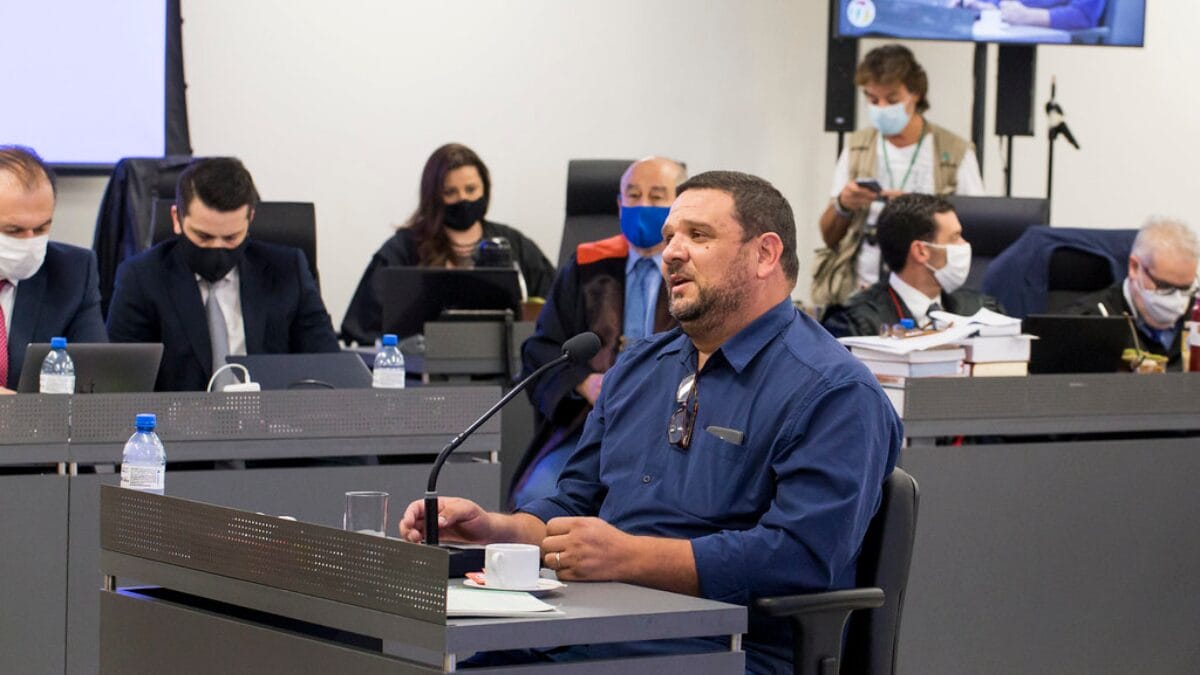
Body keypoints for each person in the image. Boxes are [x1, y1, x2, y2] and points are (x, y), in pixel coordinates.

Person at [401, 170, 902, 673]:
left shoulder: (834, 392)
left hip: (721, 646)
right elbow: (574, 501)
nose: (671, 254)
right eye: (669, 238)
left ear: (765, 254)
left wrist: (628, 558)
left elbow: (800, 557)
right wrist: (496, 529)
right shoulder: (640, 367)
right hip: (587, 625)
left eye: (698, 236)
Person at [511, 156, 686, 508]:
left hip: (671, 429)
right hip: (591, 427)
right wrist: (584, 382)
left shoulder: (692, 269)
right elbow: (542, 348)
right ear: (619, 205)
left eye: (657, 196)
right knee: (535, 500)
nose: (643, 206)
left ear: (679, 205)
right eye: (633, 196)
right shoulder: (587, 266)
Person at [107, 157, 340, 391]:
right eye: (203, 237)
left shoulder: (287, 270)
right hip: (177, 421)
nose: (216, 248)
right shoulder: (141, 277)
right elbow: (122, 383)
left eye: (230, 238)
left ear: (250, 220)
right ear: (177, 219)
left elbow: (329, 369)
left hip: (271, 419)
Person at [812, 44, 984, 311]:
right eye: (872, 99)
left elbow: (975, 228)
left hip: (927, 293)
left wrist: (919, 210)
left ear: (915, 93)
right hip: (862, 290)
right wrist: (844, 204)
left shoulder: (954, 151)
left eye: (891, 100)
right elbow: (829, 237)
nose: (881, 108)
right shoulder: (858, 147)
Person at [340, 143, 556, 346]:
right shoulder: (403, 249)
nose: (463, 199)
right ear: (433, 197)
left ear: (485, 189)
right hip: (422, 374)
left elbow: (555, 307)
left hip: (507, 370)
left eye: (471, 190)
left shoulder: (514, 243)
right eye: (450, 192)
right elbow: (363, 328)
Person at [0, 145, 107, 393]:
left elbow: (95, 383)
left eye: (41, 229)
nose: (29, 241)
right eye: (13, 230)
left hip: (36, 429)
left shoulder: (74, 273)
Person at [822, 193, 1003, 337]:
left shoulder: (980, 310)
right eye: (955, 237)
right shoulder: (857, 321)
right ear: (921, 251)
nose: (964, 245)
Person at [1064, 217, 1199, 370]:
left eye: (1185, 288)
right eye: (1164, 286)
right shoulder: (1086, 322)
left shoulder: (1196, 316)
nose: (1178, 300)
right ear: (1134, 267)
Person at [955, 1, 1105, 30]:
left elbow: (1082, 16)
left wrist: (1027, 16)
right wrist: (983, 5)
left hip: (1052, 43)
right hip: (1007, 29)